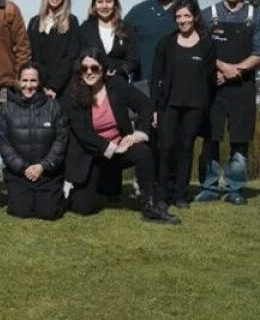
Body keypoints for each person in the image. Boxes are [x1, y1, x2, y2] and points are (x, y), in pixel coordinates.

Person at [64, 48, 179, 224]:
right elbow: (84, 134)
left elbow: (146, 105)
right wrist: (113, 148)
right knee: (83, 208)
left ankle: (149, 205)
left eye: (94, 68)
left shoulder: (117, 84)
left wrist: (139, 133)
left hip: (120, 146)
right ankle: (77, 188)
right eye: (84, 68)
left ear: (103, 69)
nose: (89, 72)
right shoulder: (72, 94)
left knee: (142, 152)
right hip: (91, 154)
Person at [195, 0, 260, 205]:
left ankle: (235, 188)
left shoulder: (256, 17)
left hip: (243, 88)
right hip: (213, 88)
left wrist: (234, 70)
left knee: (240, 140)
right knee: (210, 138)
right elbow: (201, 49)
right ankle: (208, 187)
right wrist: (221, 68)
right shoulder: (207, 15)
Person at [150, 0, 215, 208]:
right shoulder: (166, 43)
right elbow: (156, 77)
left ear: (195, 17)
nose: (182, 20)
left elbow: (210, 77)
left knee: (186, 149)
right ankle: (161, 195)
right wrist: (155, 108)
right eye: (178, 16)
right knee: (165, 148)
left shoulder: (206, 44)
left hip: (195, 107)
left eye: (187, 15)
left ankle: (180, 194)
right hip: (169, 105)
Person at [0, 64, 69, 220]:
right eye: (24, 80)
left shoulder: (54, 107)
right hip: (19, 173)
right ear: (18, 81)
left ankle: (59, 193)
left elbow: (61, 141)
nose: (28, 86)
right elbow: (4, 143)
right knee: (21, 211)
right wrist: (23, 167)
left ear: (40, 82)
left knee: (48, 213)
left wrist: (43, 166)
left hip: (47, 173)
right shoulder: (7, 109)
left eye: (33, 81)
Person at [124, 0, 183, 84]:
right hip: (143, 83)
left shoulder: (188, 11)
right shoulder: (138, 11)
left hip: (180, 84)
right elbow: (119, 41)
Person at [27, 0, 80, 98]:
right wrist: (36, 83)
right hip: (37, 87)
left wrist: (53, 86)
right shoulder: (34, 22)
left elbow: (71, 58)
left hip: (61, 89)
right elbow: (29, 55)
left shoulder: (72, 22)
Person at [78, 0, 139, 81]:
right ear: (94, 5)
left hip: (119, 82)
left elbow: (133, 58)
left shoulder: (126, 28)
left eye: (108, 1)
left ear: (115, 4)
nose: (104, 6)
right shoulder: (85, 28)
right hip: (92, 82)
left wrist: (120, 70)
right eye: (100, 2)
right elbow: (79, 57)